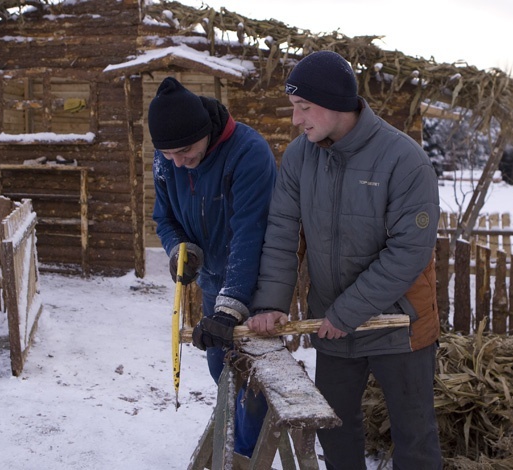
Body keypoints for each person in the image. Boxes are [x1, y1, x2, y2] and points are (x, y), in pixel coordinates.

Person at [246, 51, 443, 469]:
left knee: (414, 438)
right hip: (333, 326)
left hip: (400, 323)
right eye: (293, 108)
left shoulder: (404, 160)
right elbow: (283, 233)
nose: (296, 119)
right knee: (335, 433)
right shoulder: (301, 156)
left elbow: (409, 251)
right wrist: (270, 303)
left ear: (336, 104)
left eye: (304, 107)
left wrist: (348, 311)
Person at [148, 77, 276, 457]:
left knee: (252, 378)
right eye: (169, 155)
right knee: (220, 367)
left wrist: (231, 305)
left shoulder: (248, 153)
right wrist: (178, 250)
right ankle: (232, 440)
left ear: (205, 131)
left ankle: (244, 457)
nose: (178, 163)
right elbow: (163, 218)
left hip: (255, 283)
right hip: (211, 281)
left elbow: (250, 232)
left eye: (186, 151)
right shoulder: (167, 158)